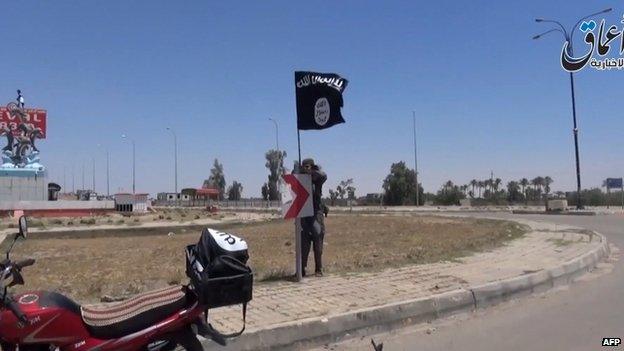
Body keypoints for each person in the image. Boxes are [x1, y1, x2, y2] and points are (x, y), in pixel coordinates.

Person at [300, 158, 327, 277]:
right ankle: (301, 269)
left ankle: (318, 269)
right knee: (304, 243)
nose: (305, 168)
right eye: (303, 166)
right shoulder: (300, 177)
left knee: (318, 240)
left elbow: (324, 176)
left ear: (312, 166)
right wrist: (300, 171)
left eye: (308, 166)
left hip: (316, 213)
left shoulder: (317, 178)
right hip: (304, 213)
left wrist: (312, 172)